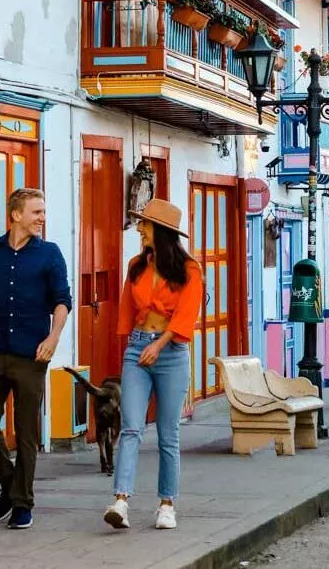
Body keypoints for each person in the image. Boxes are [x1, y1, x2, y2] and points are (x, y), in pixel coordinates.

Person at [0, 188, 71, 530]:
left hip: (31, 354)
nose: (42, 218)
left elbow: (62, 300)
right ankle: (9, 485)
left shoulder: (50, 255)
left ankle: (23, 502)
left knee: (26, 432)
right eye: (36, 212)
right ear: (15, 215)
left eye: (43, 211)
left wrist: (53, 338)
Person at [103, 199, 203, 532]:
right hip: (138, 350)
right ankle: (121, 500)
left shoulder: (189, 271)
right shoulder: (136, 266)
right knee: (130, 426)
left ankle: (166, 504)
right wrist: (136, 346)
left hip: (171, 353)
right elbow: (126, 313)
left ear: (158, 231)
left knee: (168, 434)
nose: (139, 229)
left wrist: (159, 345)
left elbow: (186, 316)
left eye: (144, 224)